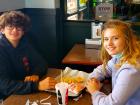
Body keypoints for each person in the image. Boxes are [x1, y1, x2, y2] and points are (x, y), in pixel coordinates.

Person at [0, 11, 56, 99]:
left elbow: (41, 63)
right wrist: (37, 86)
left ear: (23, 31)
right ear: (2, 30)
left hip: (24, 91)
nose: (14, 30)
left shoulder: (25, 43)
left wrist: (35, 74)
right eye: (10, 26)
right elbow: (4, 85)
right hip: (6, 97)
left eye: (18, 27)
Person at [86, 19, 140, 105]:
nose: (109, 43)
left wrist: (94, 91)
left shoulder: (131, 69)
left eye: (115, 38)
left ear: (127, 40)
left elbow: (112, 103)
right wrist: (92, 79)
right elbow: (104, 69)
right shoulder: (119, 56)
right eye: (106, 39)